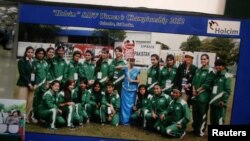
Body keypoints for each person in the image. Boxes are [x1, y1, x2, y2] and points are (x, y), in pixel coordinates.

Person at [191, 54, 214, 137]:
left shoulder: (210, 71)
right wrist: (193, 90)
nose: (203, 61)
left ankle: (201, 131)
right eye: (201, 59)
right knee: (195, 114)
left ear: (208, 60)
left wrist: (197, 90)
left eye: (204, 59)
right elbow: (193, 81)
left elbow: (207, 84)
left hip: (203, 97)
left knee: (202, 114)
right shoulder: (198, 70)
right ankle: (195, 129)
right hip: (195, 97)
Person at [16, 46, 35, 123]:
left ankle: (26, 117)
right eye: (28, 52)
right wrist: (29, 84)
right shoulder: (21, 61)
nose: (30, 53)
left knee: (30, 102)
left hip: (32, 86)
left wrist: (34, 84)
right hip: (24, 84)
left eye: (31, 52)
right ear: (26, 52)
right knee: (22, 101)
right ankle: (19, 117)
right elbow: (22, 74)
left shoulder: (34, 61)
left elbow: (35, 74)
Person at [209, 59, 231, 125]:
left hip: (220, 103)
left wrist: (223, 101)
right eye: (216, 65)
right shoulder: (215, 75)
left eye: (219, 65)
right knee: (213, 120)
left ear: (223, 66)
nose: (217, 67)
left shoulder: (226, 76)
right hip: (213, 102)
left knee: (220, 120)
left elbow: (227, 90)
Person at [120, 58, 140, 125]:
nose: (131, 62)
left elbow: (139, 80)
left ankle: (129, 121)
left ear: (134, 62)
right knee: (124, 105)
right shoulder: (125, 69)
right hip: (125, 89)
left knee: (130, 105)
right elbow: (116, 67)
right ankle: (123, 121)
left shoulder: (137, 70)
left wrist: (132, 80)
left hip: (132, 90)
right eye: (130, 61)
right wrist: (125, 65)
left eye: (133, 61)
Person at [32, 48, 48, 123]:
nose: (41, 55)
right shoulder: (33, 62)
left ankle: (40, 117)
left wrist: (47, 83)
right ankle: (33, 116)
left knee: (41, 102)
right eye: (39, 53)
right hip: (36, 86)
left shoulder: (45, 63)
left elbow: (47, 74)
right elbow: (32, 75)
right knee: (35, 101)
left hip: (43, 86)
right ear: (36, 54)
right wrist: (33, 84)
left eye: (42, 54)